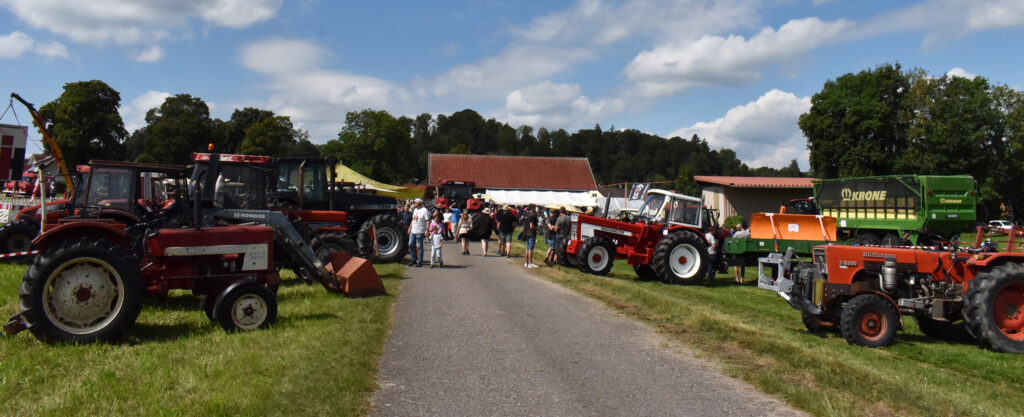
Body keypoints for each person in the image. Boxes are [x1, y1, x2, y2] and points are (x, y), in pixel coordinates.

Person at [407, 198, 430, 267]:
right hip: (413, 230)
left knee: (419, 246)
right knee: (410, 244)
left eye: (415, 203)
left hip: (420, 231)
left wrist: (427, 230)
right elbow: (413, 220)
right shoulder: (415, 210)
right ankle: (413, 259)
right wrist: (410, 228)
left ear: (419, 203)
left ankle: (420, 261)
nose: (414, 204)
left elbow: (427, 221)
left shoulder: (425, 210)